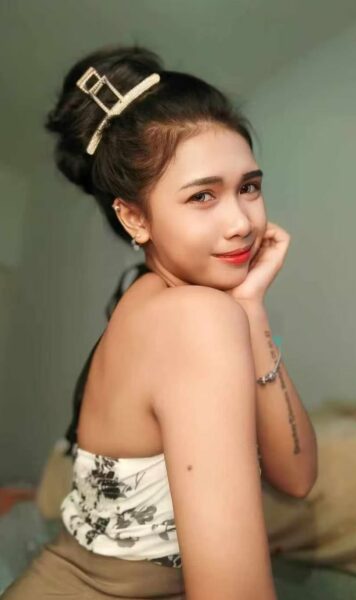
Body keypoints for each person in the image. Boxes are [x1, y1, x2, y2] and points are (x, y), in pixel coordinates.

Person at [3, 42, 296, 599]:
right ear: (134, 217)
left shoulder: (168, 304)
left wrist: (252, 306)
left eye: (248, 187)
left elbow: (297, 476)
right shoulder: (194, 318)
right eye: (203, 196)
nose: (241, 222)